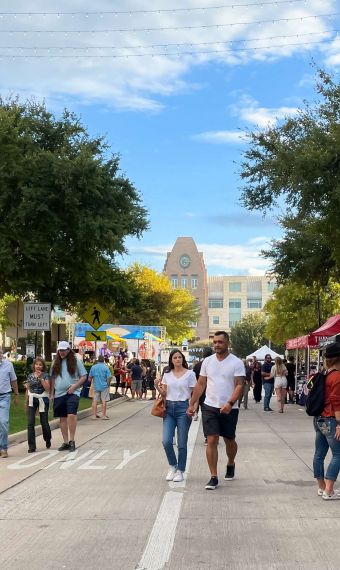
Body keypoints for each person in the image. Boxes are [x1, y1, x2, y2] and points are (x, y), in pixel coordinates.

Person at [188, 331, 245, 490]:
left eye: (220, 342)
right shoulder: (207, 362)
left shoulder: (236, 362)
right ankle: (213, 476)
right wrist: (192, 404)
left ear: (227, 343)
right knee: (212, 439)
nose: (217, 345)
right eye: (215, 342)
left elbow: (240, 385)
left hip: (229, 408)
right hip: (209, 406)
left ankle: (231, 462)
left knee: (229, 440)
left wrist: (230, 402)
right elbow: (200, 384)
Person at [157, 349, 196, 483]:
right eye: (175, 357)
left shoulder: (190, 374)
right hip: (169, 408)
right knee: (166, 441)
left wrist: (193, 407)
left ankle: (180, 470)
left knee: (181, 443)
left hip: (183, 408)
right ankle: (172, 465)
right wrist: (157, 385)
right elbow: (164, 393)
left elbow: (194, 393)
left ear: (183, 359)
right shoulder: (167, 374)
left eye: (179, 357)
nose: (177, 359)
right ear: (171, 360)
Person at [313, 342, 340, 500]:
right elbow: (337, 402)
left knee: (319, 454)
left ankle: (321, 486)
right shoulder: (337, 376)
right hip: (331, 419)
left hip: (319, 418)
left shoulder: (323, 373)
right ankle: (329, 490)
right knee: (338, 454)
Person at [50, 341, 87, 452]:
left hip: (72, 393)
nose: (61, 352)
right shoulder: (55, 362)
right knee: (62, 418)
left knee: (71, 414)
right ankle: (65, 442)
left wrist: (75, 386)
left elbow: (84, 376)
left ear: (68, 350)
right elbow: (52, 378)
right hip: (59, 394)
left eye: (63, 350)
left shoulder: (75, 361)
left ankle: (72, 440)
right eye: (60, 350)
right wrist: (51, 393)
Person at [25, 357, 52, 452]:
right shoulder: (30, 376)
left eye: (40, 365)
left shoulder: (45, 375)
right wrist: (26, 401)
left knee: (44, 422)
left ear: (43, 366)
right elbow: (28, 388)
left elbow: (48, 388)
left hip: (43, 399)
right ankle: (32, 446)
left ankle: (47, 438)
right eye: (37, 364)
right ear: (34, 365)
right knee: (30, 423)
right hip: (32, 399)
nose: (38, 366)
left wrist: (41, 378)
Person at [0, 348, 19, 458]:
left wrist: (16, 395)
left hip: (5, 397)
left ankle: (3, 448)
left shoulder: (8, 365)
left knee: (3, 422)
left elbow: (13, 380)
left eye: (0, 353)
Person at [193, 346, 213, 444]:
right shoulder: (215, 364)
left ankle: (207, 437)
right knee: (213, 416)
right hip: (213, 393)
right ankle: (212, 436)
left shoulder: (197, 366)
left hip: (201, 393)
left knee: (206, 416)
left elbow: (195, 381)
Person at [89, 355, 112, 420]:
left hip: (96, 386)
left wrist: (91, 381)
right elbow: (109, 377)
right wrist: (108, 384)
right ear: (103, 360)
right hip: (104, 386)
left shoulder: (93, 367)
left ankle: (94, 415)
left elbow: (89, 378)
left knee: (95, 401)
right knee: (104, 400)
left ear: (98, 360)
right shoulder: (106, 367)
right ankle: (103, 415)